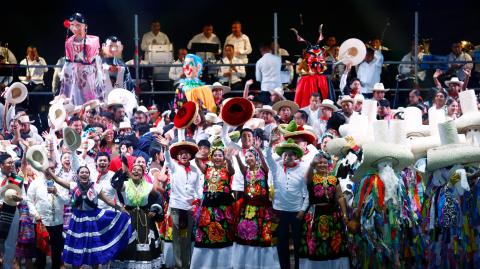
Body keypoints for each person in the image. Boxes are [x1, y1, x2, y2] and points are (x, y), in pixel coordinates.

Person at [45, 165, 132, 268]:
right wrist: (48, 171)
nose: (84, 174)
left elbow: (108, 200)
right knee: (76, 247)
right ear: (77, 175)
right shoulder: (73, 185)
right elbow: (57, 179)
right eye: (82, 172)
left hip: (93, 220)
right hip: (77, 220)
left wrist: (121, 209)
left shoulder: (95, 187)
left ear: (89, 175)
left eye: (86, 172)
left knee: (94, 246)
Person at [232, 142, 280, 269]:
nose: (248, 158)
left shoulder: (264, 170)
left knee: (263, 236)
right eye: (246, 157)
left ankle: (263, 264)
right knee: (247, 235)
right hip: (248, 209)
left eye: (250, 156)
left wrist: (258, 150)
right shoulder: (245, 171)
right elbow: (240, 164)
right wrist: (237, 156)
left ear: (256, 158)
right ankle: (248, 264)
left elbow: (265, 163)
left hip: (263, 210)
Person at [299, 152, 349, 268]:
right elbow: (307, 178)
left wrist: (345, 214)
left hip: (332, 216)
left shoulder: (333, 179)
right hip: (315, 216)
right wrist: (312, 164)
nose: (322, 165)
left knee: (333, 244)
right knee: (315, 244)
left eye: (325, 163)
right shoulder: (311, 178)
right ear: (315, 165)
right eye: (319, 163)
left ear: (329, 165)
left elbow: (340, 197)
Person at [266, 137, 309, 269]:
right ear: (282, 156)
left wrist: (302, 210)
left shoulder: (303, 169)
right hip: (280, 212)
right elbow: (268, 158)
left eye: (291, 154)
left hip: (297, 212)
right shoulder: (276, 168)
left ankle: (297, 267)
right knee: (281, 243)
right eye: (285, 154)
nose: (287, 157)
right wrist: (269, 143)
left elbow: (306, 193)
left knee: (297, 243)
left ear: (296, 157)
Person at [159, 137, 202, 269]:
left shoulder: (195, 170)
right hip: (176, 207)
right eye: (181, 153)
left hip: (189, 209)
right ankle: (178, 265)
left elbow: (198, 189)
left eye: (186, 153)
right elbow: (167, 159)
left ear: (190, 155)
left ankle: (186, 265)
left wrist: (198, 202)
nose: (184, 155)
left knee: (187, 238)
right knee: (177, 239)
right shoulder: (174, 167)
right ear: (177, 156)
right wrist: (166, 147)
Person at [190, 147, 236, 268]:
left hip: (223, 207)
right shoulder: (207, 169)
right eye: (215, 155)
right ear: (211, 157)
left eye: (220, 155)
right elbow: (196, 161)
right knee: (206, 233)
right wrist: (201, 154)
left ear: (223, 158)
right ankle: (205, 264)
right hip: (208, 207)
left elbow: (232, 171)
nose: (217, 157)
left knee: (224, 233)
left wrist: (229, 160)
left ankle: (223, 264)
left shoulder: (227, 169)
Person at [112, 163, 164, 268]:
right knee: (128, 243)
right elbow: (115, 185)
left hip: (144, 219)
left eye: (139, 170)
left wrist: (154, 209)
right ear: (131, 172)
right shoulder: (125, 184)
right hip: (128, 217)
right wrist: (123, 173)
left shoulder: (149, 186)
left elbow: (159, 196)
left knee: (145, 243)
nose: (136, 171)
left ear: (142, 174)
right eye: (134, 169)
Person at [27, 162, 70, 269]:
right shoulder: (35, 183)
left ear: (55, 169)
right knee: (41, 249)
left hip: (57, 221)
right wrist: (35, 214)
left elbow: (67, 201)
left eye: (52, 168)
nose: (50, 171)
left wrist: (56, 192)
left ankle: (56, 266)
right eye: (48, 168)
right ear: (43, 169)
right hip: (41, 221)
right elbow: (29, 201)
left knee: (57, 249)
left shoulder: (61, 183)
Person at [61, 12, 104, 105]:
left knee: (90, 100)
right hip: (73, 75)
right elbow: (68, 62)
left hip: (88, 75)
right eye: (72, 25)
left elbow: (95, 61)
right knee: (72, 100)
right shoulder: (69, 42)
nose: (75, 28)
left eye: (78, 25)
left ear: (85, 26)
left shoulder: (93, 41)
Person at [290, 28, 330, 108]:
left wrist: (320, 71)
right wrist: (308, 72)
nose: (315, 57)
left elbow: (324, 67)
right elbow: (298, 70)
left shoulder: (321, 60)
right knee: (305, 99)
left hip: (320, 80)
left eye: (318, 54)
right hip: (307, 80)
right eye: (313, 55)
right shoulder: (303, 61)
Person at [0, 153, 24, 269]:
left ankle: (7, 266)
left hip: (12, 211)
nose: (12, 165)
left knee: (10, 243)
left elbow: (22, 197)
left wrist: (19, 199)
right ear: (1, 165)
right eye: (9, 163)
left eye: (12, 162)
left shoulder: (17, 179)